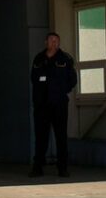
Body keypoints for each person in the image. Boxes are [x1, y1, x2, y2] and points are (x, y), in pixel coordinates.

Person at [29, 31, 77, 177]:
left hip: (59, 104)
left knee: (61, 136)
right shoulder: (39, 59)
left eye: (56, 40)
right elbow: (33, 78)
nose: (54, 43)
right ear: (46, 42)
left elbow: (72, 80)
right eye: (51, 40)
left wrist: (61, 91)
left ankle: (62, 167)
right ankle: (38, 167)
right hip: (42, 105)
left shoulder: (65, 59)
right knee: (40, 136)